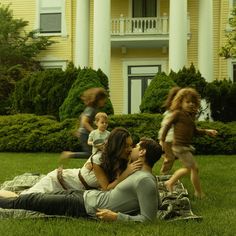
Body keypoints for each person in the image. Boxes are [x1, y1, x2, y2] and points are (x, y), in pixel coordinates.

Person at [0, 137, 163, 222]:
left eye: (135, 147)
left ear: (142, 152)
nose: (131, 149)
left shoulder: (144, 180)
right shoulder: (136, 172)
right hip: (84, 195)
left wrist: (117, 217)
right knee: (30, 198)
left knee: (29, 200)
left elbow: (148, 219)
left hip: (83, 207)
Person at [13, 128, 142, 195]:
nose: (130, 149)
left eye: (131, 145)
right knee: (23, 198)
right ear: (116, 146)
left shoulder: (122, 159)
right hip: (60, 181)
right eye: (126, 146)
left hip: (72, 192)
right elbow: (107, 188)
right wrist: (127, 173)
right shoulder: (98, 159)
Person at [159, 88, 218, 198]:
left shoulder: (190, 117)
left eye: (193, 102)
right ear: (180, 102)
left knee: (192, 168)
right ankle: (194, 191)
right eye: (187, 102)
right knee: (191, 168)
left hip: (185, 146)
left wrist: (206, 131)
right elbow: (167, 126)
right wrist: (162, 140)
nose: (191, 104)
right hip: (179, 146)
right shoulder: (177, 114)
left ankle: (192, 190)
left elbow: (195, 131)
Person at [65, 87, 108, 159]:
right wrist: (94, 132)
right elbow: (84, 122)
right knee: (90, 154)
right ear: (98, 100)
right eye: (103, 99)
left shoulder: (93, 109)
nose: (104, 101)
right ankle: (70, 154)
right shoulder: (90, 109)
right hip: (85, 134)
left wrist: (78, 130)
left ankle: (92, 166)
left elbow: (81, 118)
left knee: (94, 152)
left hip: (84, 133)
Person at [158, 87, 181, 175]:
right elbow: (164, 127)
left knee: (173, 156)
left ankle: (165, 159)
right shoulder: (170, 114)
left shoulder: (178, 113)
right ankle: (164, 173)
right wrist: (161, 140)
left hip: (173, 140)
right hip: (167, 140)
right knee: (170, 158)